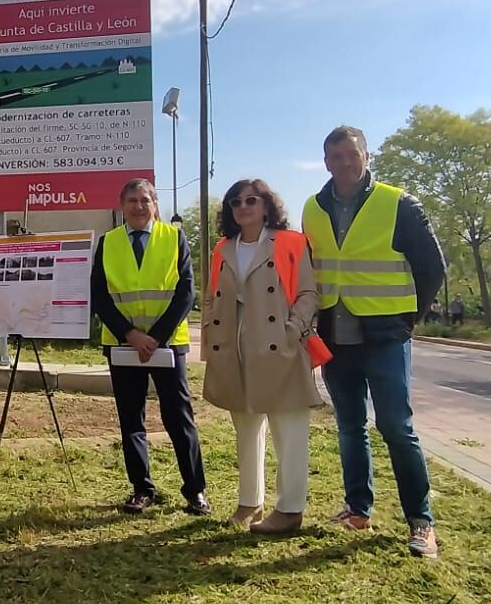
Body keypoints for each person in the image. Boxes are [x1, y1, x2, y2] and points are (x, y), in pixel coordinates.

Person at [303, 125, 446, 558]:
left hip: (385, 337)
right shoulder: (313, 207)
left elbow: (433, 268)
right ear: (326, 162)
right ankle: (358, 509)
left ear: (366, 157)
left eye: (352, 155)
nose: (344, 163)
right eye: (336, 157)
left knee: (396, 428)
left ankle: (421, 522)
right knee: (349, 427)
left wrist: (408, 320)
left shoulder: (399, 204)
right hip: (336, 340)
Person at [202, 178, 326, 534]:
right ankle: (249, 501)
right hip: (234, 348)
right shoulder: (223, 248)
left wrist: (291, 331)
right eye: (235, 201)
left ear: (267, 205)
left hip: (278, 347)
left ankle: (290, 509)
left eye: (251, 200)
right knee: (245, 428)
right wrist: (211, 336)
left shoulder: (290, 242)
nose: (243, 207)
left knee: (289, 429)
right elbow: (211, 295)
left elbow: (307, 292)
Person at [90, 179, 209, 516]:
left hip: (168, 345)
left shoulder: (174, 237)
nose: (138, 206)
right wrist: (131, 334)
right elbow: (99, 295)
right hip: (122, 345)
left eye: (145, 200)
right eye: (132, 201)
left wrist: (155, 335)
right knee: (131, 420)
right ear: (122, 205)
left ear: (155, 204)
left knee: (179, 418)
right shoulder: (109, 242)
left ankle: (195, 491)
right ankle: (142, 489)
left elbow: (186, 292)